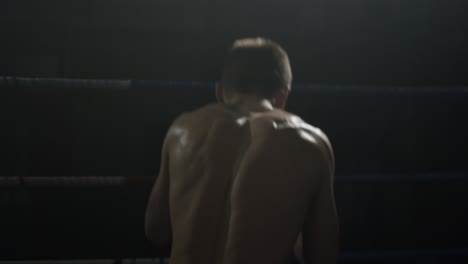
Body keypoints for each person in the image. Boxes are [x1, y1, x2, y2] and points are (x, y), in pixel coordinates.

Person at [145, 38, 338, 264]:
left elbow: (156, 230)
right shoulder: (311, 142)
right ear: (283, 95)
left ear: (219, 91)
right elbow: (321, 256)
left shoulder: (181, 130)